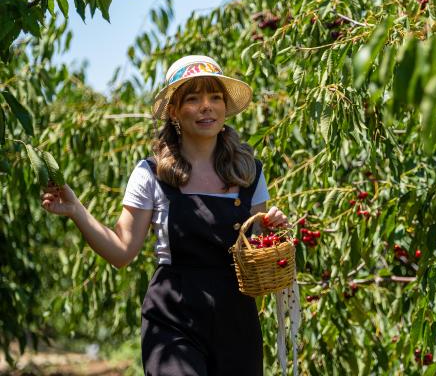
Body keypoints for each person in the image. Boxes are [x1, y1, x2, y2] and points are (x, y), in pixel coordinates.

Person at [41, 55, 289, 375]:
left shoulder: (249, 172)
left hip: (236, 321)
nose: (206, 106)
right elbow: (121, 250)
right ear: (174, 110)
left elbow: (255, 249)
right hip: (173, 318)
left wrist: (273, 230)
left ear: (225, 108)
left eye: (215, 97)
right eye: (193, 98)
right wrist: (77, 211)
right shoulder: (152, 173)